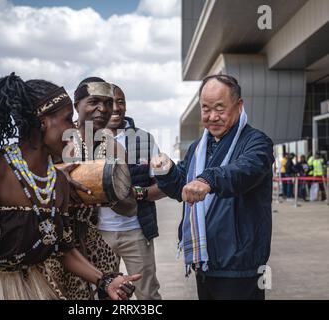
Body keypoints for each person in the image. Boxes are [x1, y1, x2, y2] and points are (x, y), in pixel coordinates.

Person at [0, 73, 140, 300]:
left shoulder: (57, 182)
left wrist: (105, 280)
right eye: (68, 119)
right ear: (42, 121)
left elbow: (64, 249)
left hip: (35, 288)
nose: (73, 128)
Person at [151, 74, 274, 300]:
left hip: (240, 263)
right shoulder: (199, 146)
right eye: (206, 108)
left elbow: (243, 171)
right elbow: (182, 188)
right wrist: (166, 170)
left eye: (220, 108)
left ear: (239, 106)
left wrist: (208, 180)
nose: (212, 116)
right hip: (206, 260)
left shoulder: (257, 142)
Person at [46, 77, 136, 299]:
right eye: (94, 101)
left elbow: (130, 207)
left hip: (96, 242)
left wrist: (109, 193)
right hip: (57, 244)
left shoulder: (114, 147)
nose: (102, 109)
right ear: (77, 105)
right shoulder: (60, 140)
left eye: (107, 103)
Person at [98, 84, 165, 300]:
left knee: (148, 295)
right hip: (98, 235)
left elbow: (162, 186)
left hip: (136, 231)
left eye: (121, 102)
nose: (116, 108)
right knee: (103, 296)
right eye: (110, 102)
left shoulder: (145, 140)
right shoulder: (85, 140)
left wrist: (136, 193)